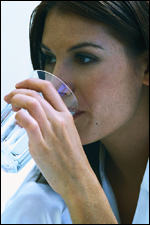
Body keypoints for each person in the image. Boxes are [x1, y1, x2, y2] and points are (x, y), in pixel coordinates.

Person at [1, 1, 149, 224]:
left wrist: (77, 183)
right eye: (50, 58)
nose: (54, 86)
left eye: (84, 58)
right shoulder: (41, 202)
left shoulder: (70, 182)